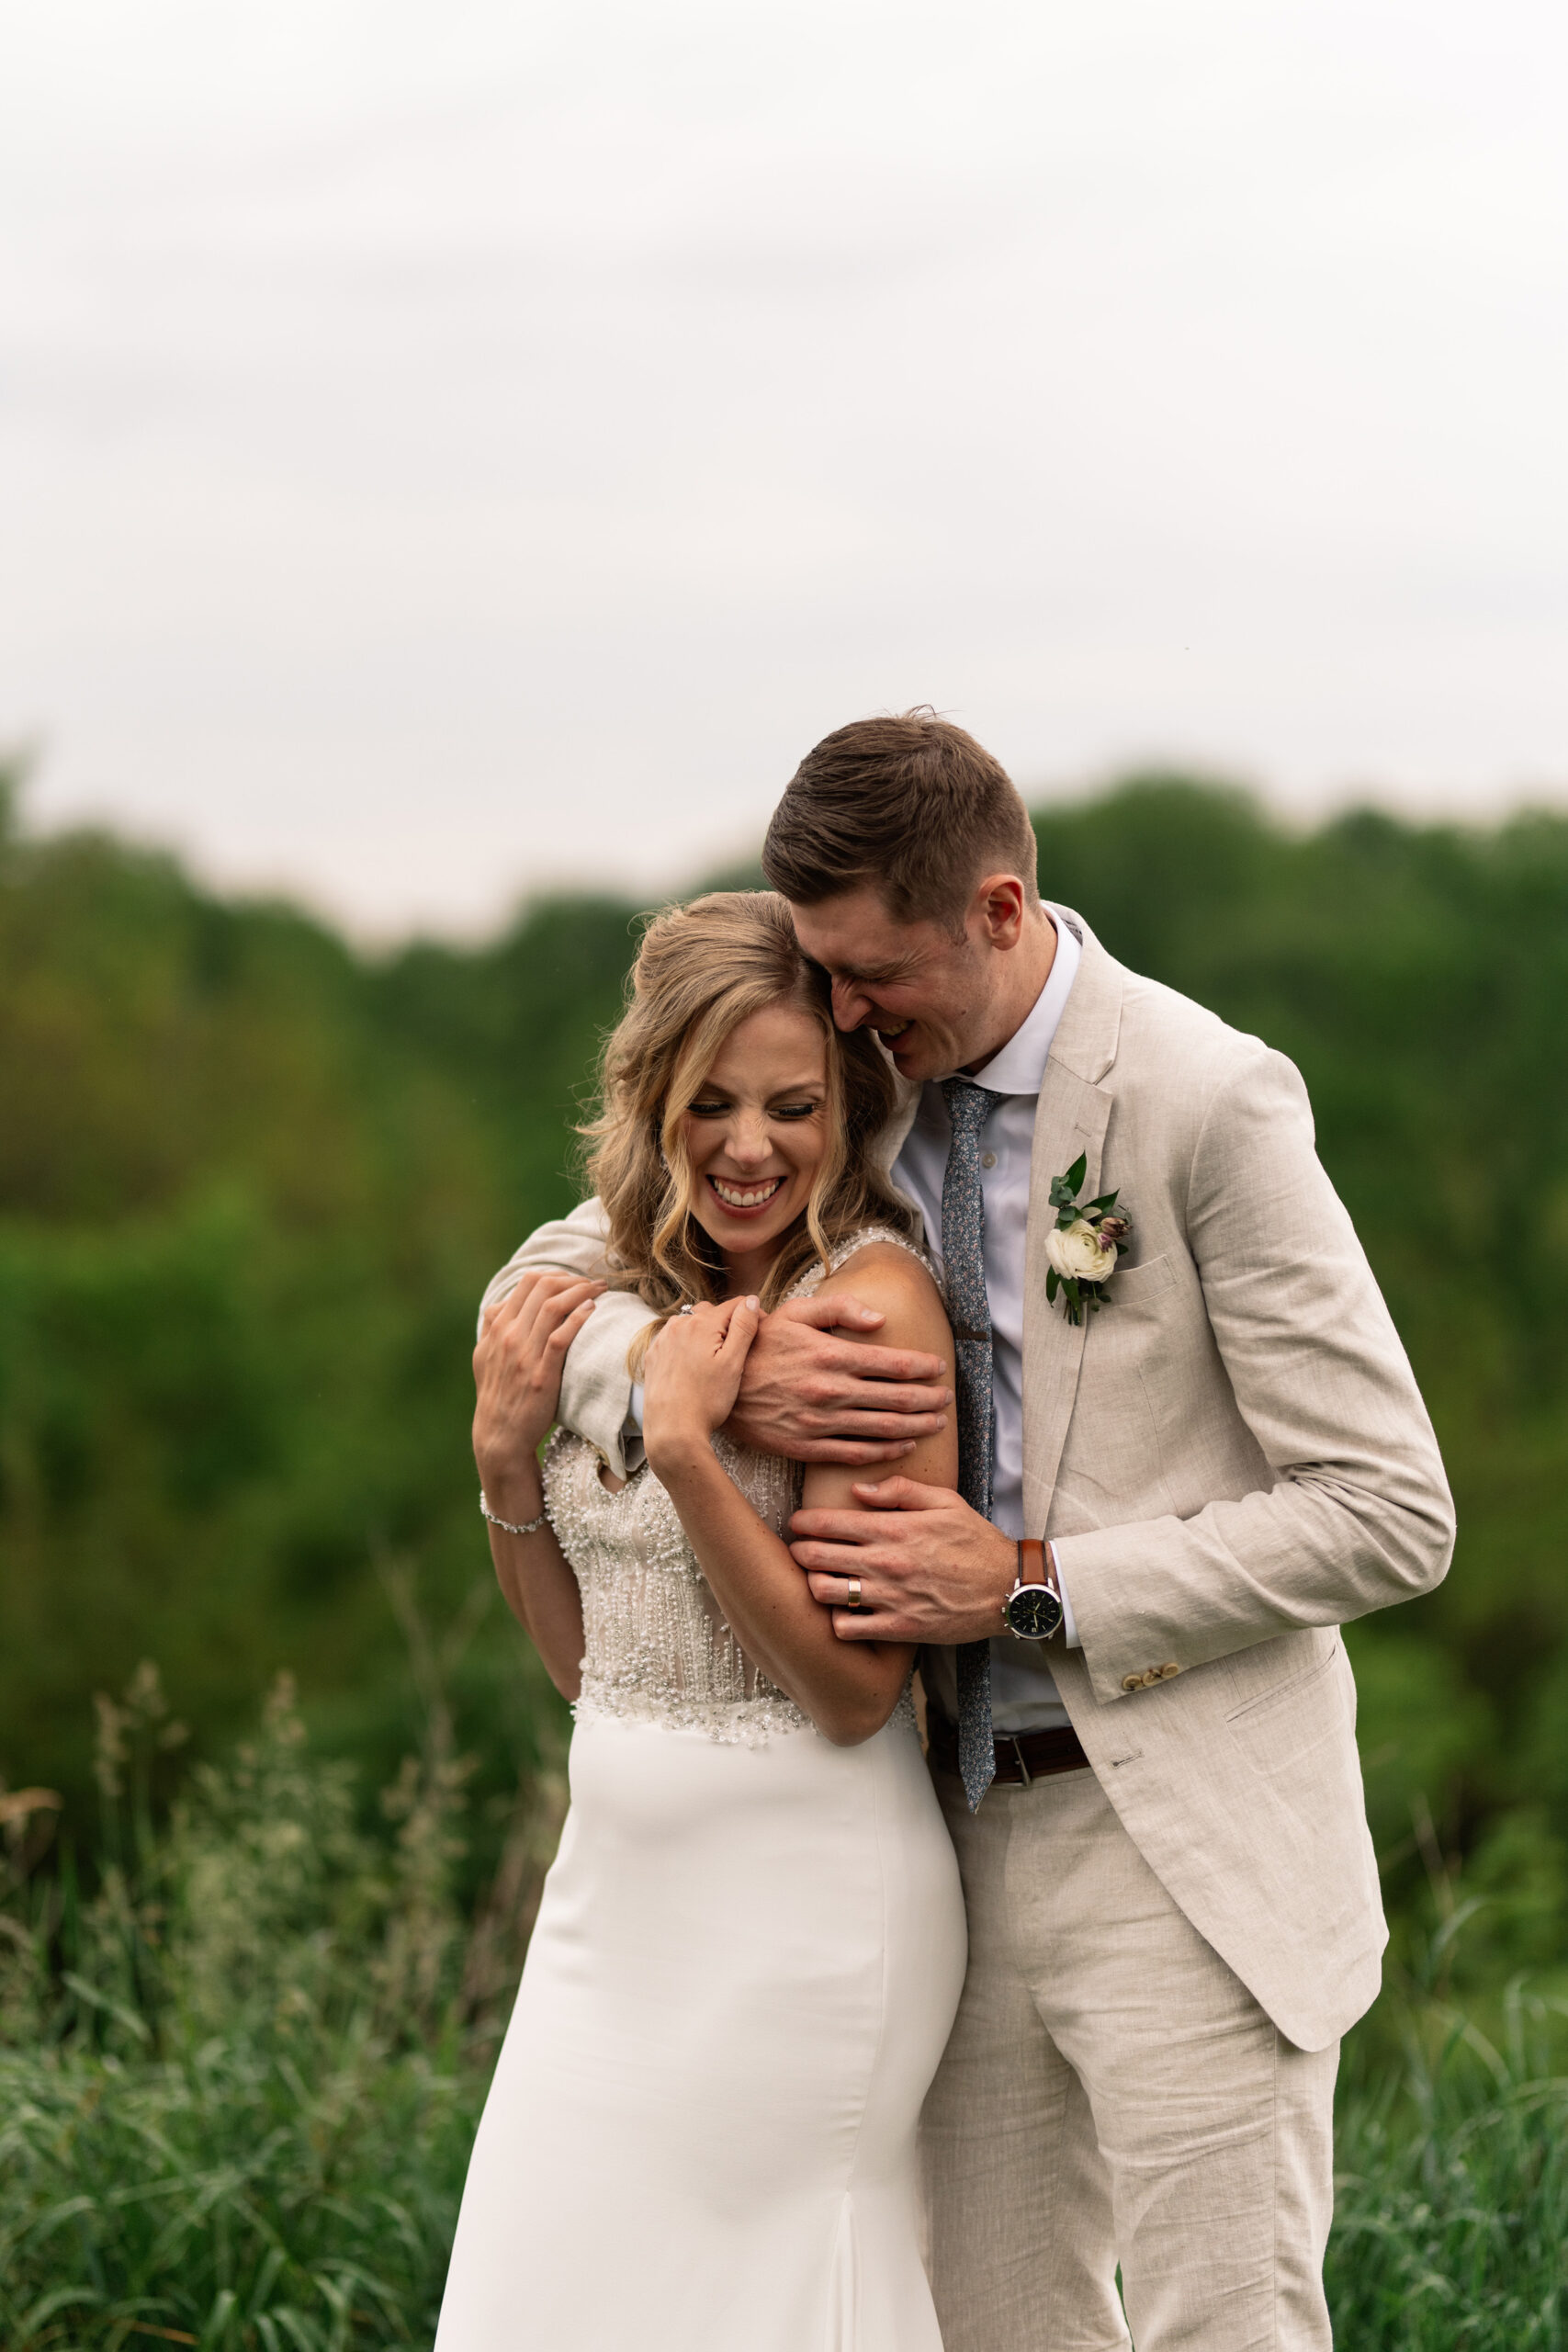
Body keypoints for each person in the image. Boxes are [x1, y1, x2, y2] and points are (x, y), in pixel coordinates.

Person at [491, 712, 1456, 2351]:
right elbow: (550, 1275)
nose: (846, 1017)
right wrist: (676, 1367)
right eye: (825, 976)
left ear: (998, 914)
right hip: (941, 1840)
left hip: (1180, 1845)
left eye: (873, 976)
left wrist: (1030, 1589)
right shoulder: (857, 1079)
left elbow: (1391, 1511)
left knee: (1228, 2331)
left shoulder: (1204, 1099)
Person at [435, 891, 967, 2352]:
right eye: (709, 1105)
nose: (750, 1146)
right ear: (648, 1101)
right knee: (532, 2304)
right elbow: (592, 1676)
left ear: (845, 1104)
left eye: (792, 1106)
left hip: (805, 1920)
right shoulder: (611, 1287)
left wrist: (686, 1457)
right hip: (607, 1920)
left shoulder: (870, 1306)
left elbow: (858, 1694)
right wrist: (504, 1477)